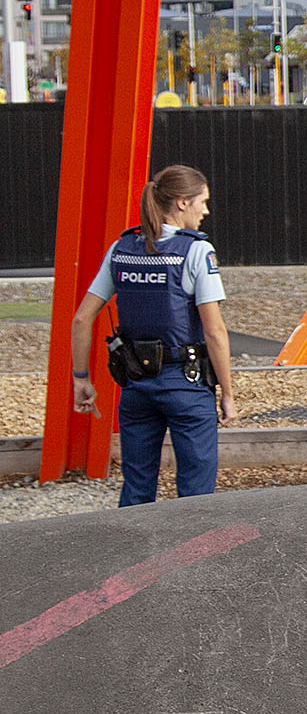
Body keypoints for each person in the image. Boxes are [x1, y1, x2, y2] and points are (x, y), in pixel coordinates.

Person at [68, 165, 236, 505]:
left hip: (136, 385)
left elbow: (82, 319)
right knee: (196, 494)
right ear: (182, 203)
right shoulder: (197, 251)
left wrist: (81, 378)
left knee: (137, 488)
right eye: (203, 202)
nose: (206, 211)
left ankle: (132, 556)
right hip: (186, 384)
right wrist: (228, 393)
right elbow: (214, 331)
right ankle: (193, 555)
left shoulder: (122, 248)